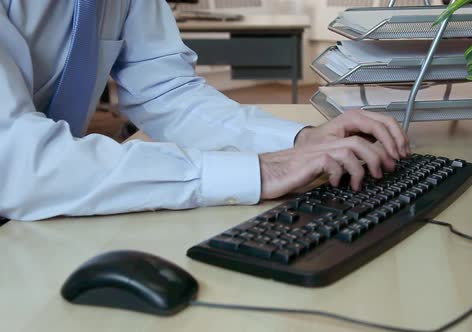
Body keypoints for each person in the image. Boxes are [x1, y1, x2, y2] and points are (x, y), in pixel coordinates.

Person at [0, 0, 409, 221]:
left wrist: (300, 141)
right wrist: (258, 171)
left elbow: (166, 91)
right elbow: (15, 161)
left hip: (42, 213)